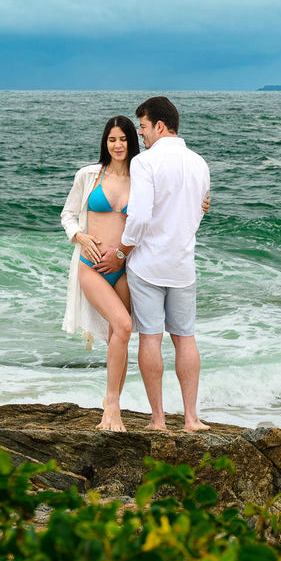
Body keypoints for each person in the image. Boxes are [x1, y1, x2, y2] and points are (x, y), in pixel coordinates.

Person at [95, 96, 211, 431]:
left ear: (159, 126)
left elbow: (140, 217)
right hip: (182, 264)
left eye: (143, 127)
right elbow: (198, 213)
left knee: (150, 338)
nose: (141, 135)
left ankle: (158, 420)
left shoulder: (145, 163)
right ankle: (192, 419)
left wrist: (122, 251)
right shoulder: (199, 163)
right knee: (185, 338)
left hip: (147, 265)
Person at [60, 116, 140, 431]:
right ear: (105, 143)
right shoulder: (89, 175)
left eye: (123, 139)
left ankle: (111, 404)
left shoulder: (142, 176)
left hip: (124, 265)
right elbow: (67, 214)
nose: (117, 145)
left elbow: (165, 207)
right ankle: (113, 407)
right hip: (91, 265)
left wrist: (200, 202)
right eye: (112, 140)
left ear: (131, 141)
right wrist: (79, 236)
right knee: (123, 324)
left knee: (118, 335)